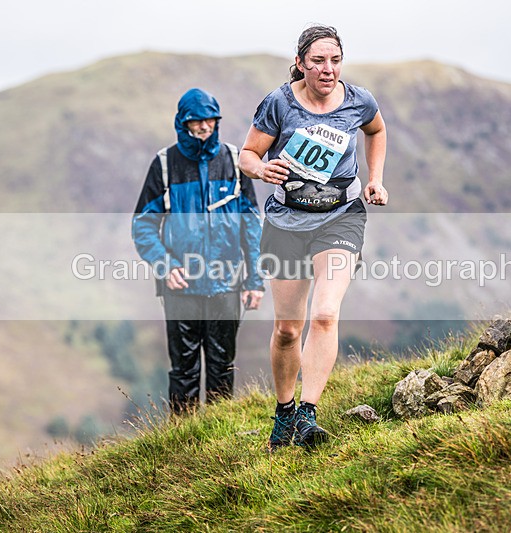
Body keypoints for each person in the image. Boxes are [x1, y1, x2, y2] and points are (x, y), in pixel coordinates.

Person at [239, 25, 388, 449]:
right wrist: (261, 169)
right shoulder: (279, 103)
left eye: (335, 61)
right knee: (288, 329)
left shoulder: (358, 100)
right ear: (301, 63)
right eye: (318, 61)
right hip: (286, 221)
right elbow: (247, 154)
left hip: (340, 217)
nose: (328, 69)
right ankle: (285, 412)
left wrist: (374, 179)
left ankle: (308, 413)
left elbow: (376, 130)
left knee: (324, 313)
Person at [132, 88, 265, 414]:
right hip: (181, 287)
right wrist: (164, 264)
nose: (204, 126)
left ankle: (218, 435)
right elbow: (143, 225)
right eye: (196, 121)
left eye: (210, 119)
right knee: (183, 370)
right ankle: (184, 435)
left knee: (223, 366)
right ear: (183, 122)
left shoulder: (234, 161)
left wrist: (254, 280)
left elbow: (251, 226)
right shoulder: (165, 165)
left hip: (226, 284)